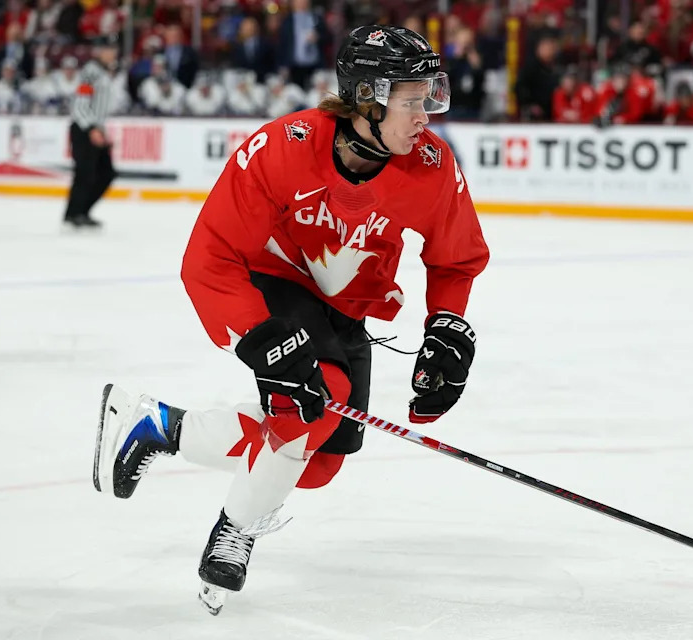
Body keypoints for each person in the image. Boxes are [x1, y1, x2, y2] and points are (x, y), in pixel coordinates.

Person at [92, 25, 489, 615]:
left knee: (320, 462)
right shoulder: (284, 148)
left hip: (345, 308)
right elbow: (209, 257)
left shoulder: (430, 166)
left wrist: (446, 328)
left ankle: (157, 425)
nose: (426, 114)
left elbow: (454, 259)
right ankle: (236, 530)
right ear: (368, 100)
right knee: (313, 401)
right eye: (413, 100)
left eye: (431, 95)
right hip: (272, 285)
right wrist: (256, 334)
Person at [63, 38, 118, 229]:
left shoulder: (103, 73)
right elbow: (80, 104)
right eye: (108, 49)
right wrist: (92, 128)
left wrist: (100, 129)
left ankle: (82, 211)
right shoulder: (90, 72)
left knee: (105, 173)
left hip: (95, 128)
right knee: (84, 173)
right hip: (84, 128)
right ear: (99, 51)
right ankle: (73, 214)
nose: (112, 53)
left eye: (113, 49)